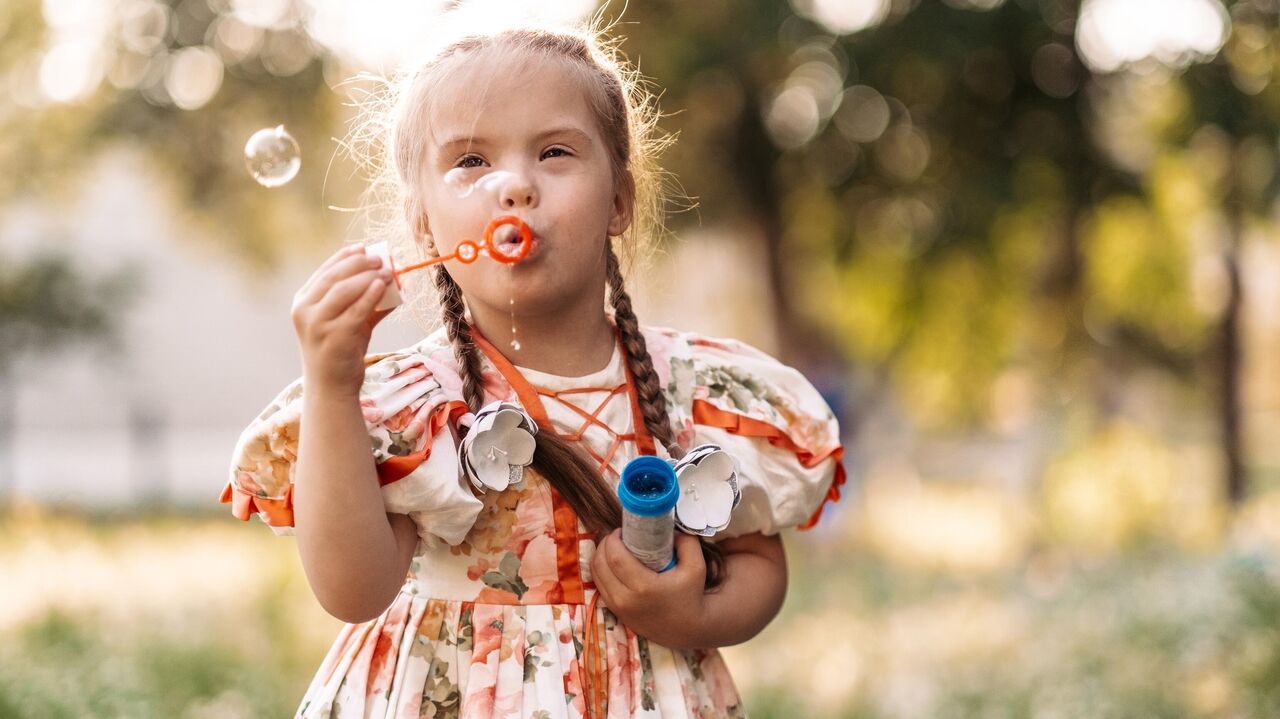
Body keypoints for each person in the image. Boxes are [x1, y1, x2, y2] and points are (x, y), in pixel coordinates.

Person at [220, 18, 845, 719]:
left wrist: (695, 617)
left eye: (553, 152)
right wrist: (333, 383)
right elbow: (352, 589)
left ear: (619, 201)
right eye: (470, 162)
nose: (514, 186)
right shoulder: (410, 405)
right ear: (423, 221)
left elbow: (762, 565)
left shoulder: (693, 389)